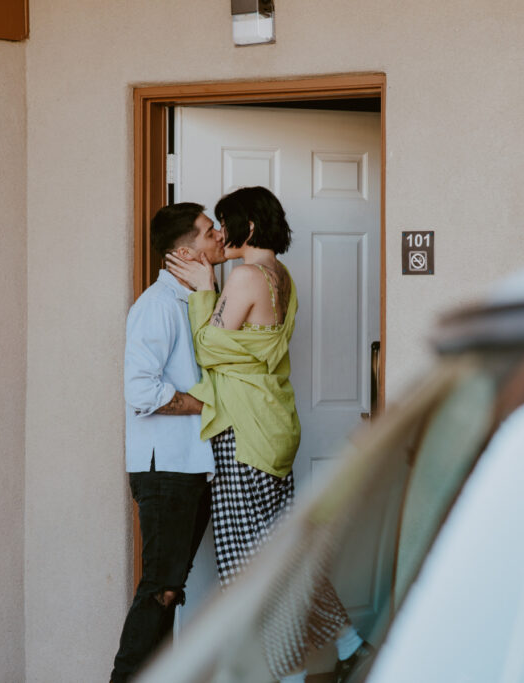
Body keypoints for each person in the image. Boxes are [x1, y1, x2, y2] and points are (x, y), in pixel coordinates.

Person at [165, 186, 372, 683]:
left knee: (247, 566)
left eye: (225, 223)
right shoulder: (283, 275)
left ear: (249, 227)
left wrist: (203, 291)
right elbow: (254, 350)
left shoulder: (243, 277)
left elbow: (209, 349)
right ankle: (346, 641)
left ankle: (285, 673)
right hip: (276, 423)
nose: (220, 234)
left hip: (247, 431)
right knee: (284, 552)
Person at [111, 202, 226, 683]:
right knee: (161, 587)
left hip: (195, 465)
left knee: (170, 588)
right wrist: (211, 403)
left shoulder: (200, 297)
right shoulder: (156, 307)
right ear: (185, 251)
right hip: (167, 471)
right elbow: (141, 392)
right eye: (208, 231)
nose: (220, 234)